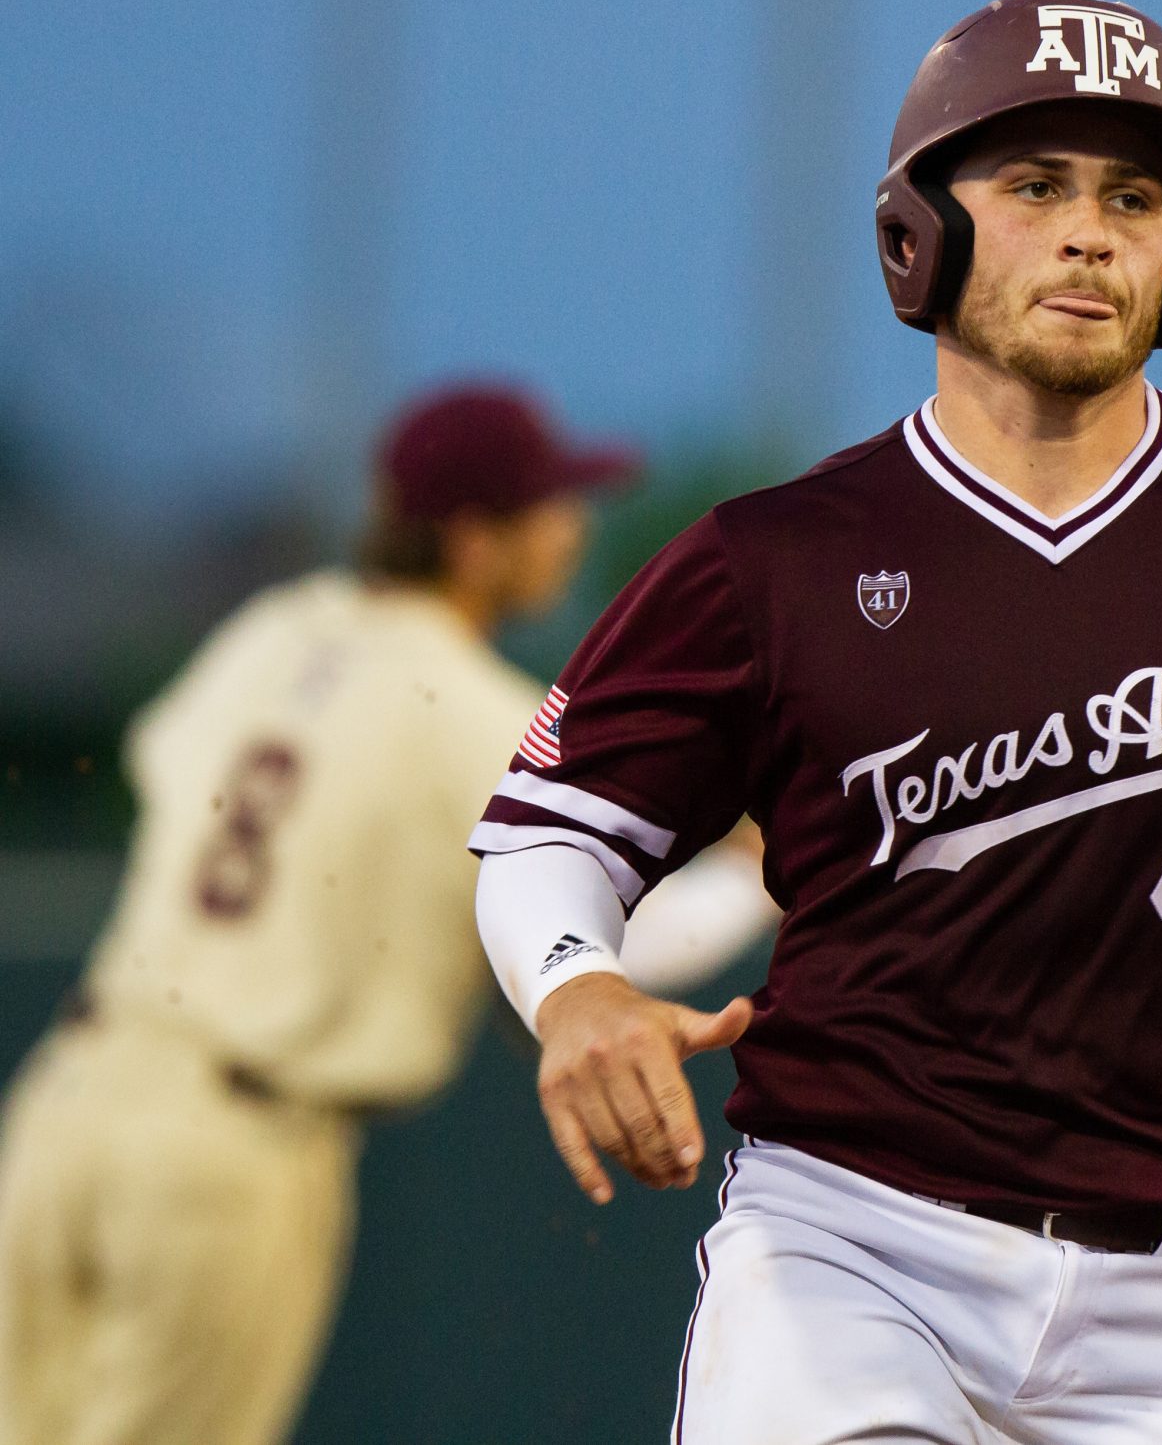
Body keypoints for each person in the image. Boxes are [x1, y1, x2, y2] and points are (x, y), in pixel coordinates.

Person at [472, 0, 1162, 1444]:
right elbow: (547, 831)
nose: (1091, 233)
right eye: (1035, 186)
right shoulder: (773, 557)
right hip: (851, 1249)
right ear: (919, 232)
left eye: (1134, 197)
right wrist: (579, 986)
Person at [0, 384, 775, 1445]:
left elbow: (161, 769)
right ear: (473, 538)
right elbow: (615, 943)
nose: (571, 529)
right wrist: (756, 872)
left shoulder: (275, 626)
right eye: (548, 507)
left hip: (74, 1097)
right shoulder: (468, 709)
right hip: (232, 1145)